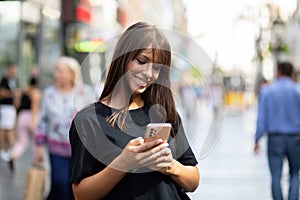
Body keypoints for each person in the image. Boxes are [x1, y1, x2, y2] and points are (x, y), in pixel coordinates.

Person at [69, 21, 200, 200]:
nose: (148, 73)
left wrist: (169, 165)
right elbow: (81, 195)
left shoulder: (165, 114)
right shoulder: (88, 120)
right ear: (123, 57)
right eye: (141, 61)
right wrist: (125, 162)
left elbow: (193, 181)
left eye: (156, 68)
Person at [34, 57, 94, 200]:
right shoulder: (49, 93)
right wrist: (38, 147)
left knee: (74, 188)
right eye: (56, 71)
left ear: (72, 74)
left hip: (81, 150)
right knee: (59, 183)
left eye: (60, 71)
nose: (56, 75)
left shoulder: (86, 92)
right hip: (56, 149)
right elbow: (42, 120)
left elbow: (95, 118)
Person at [254, 61, 300, 200]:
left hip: (275, 139)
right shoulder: (298, 90)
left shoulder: (267, 91)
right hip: (296, 138)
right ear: (291, 73)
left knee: (275, 175)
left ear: (278, 72)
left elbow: (262, 118)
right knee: (294, 173)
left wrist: (257, 138)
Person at [9, 72, 41, 172]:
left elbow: (17, 105)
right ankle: (37, 162)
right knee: (36, 141)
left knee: (22, 141)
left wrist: (17, 118)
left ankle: (13, 155)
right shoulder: (36, 93)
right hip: (31, 117)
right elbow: (34, 108)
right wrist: (34, 121)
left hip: (22, 116)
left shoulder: (23, 91)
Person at [0, 63, 18, 162]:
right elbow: (2, 92)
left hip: (10, 108)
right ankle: (2, 150)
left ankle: (7, 149)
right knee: (4, 129)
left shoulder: (11, 81)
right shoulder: (5, 80)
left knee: (8, 129)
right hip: (6, 107)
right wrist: (13, 94)